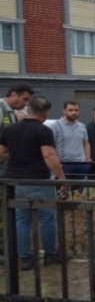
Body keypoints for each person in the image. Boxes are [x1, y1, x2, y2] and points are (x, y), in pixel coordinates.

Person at [0, 96, 66, 271]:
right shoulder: (43, 131)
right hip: (38, 180)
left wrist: (17, 156)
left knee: (22, 220)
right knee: (47, 219)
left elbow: (2, 152)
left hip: (14, 180)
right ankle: (50, 255)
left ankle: (26, 258)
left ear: (28, 110)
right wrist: (61, 178)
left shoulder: (11, 129)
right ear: (45, 114)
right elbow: (49, 156)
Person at [0, 82, 34, 265]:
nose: (25, 103)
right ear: (13, 94)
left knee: (6, 211)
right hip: (2, 168)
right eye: (24, 99)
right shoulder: (0, 109)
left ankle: (7, 248)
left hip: (7, 169)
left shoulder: (13, 113)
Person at [49, 100, 91, 184]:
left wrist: (87, 159)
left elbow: (86, 144)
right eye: (70, 110)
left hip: (81, 164)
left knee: (80, 192)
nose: (74, 112)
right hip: (65, 164)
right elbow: (50, 146)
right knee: (65, 191)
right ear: (64, 111)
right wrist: (56, 163)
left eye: (76, 110)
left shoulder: (82, 126)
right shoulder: (55, 126)